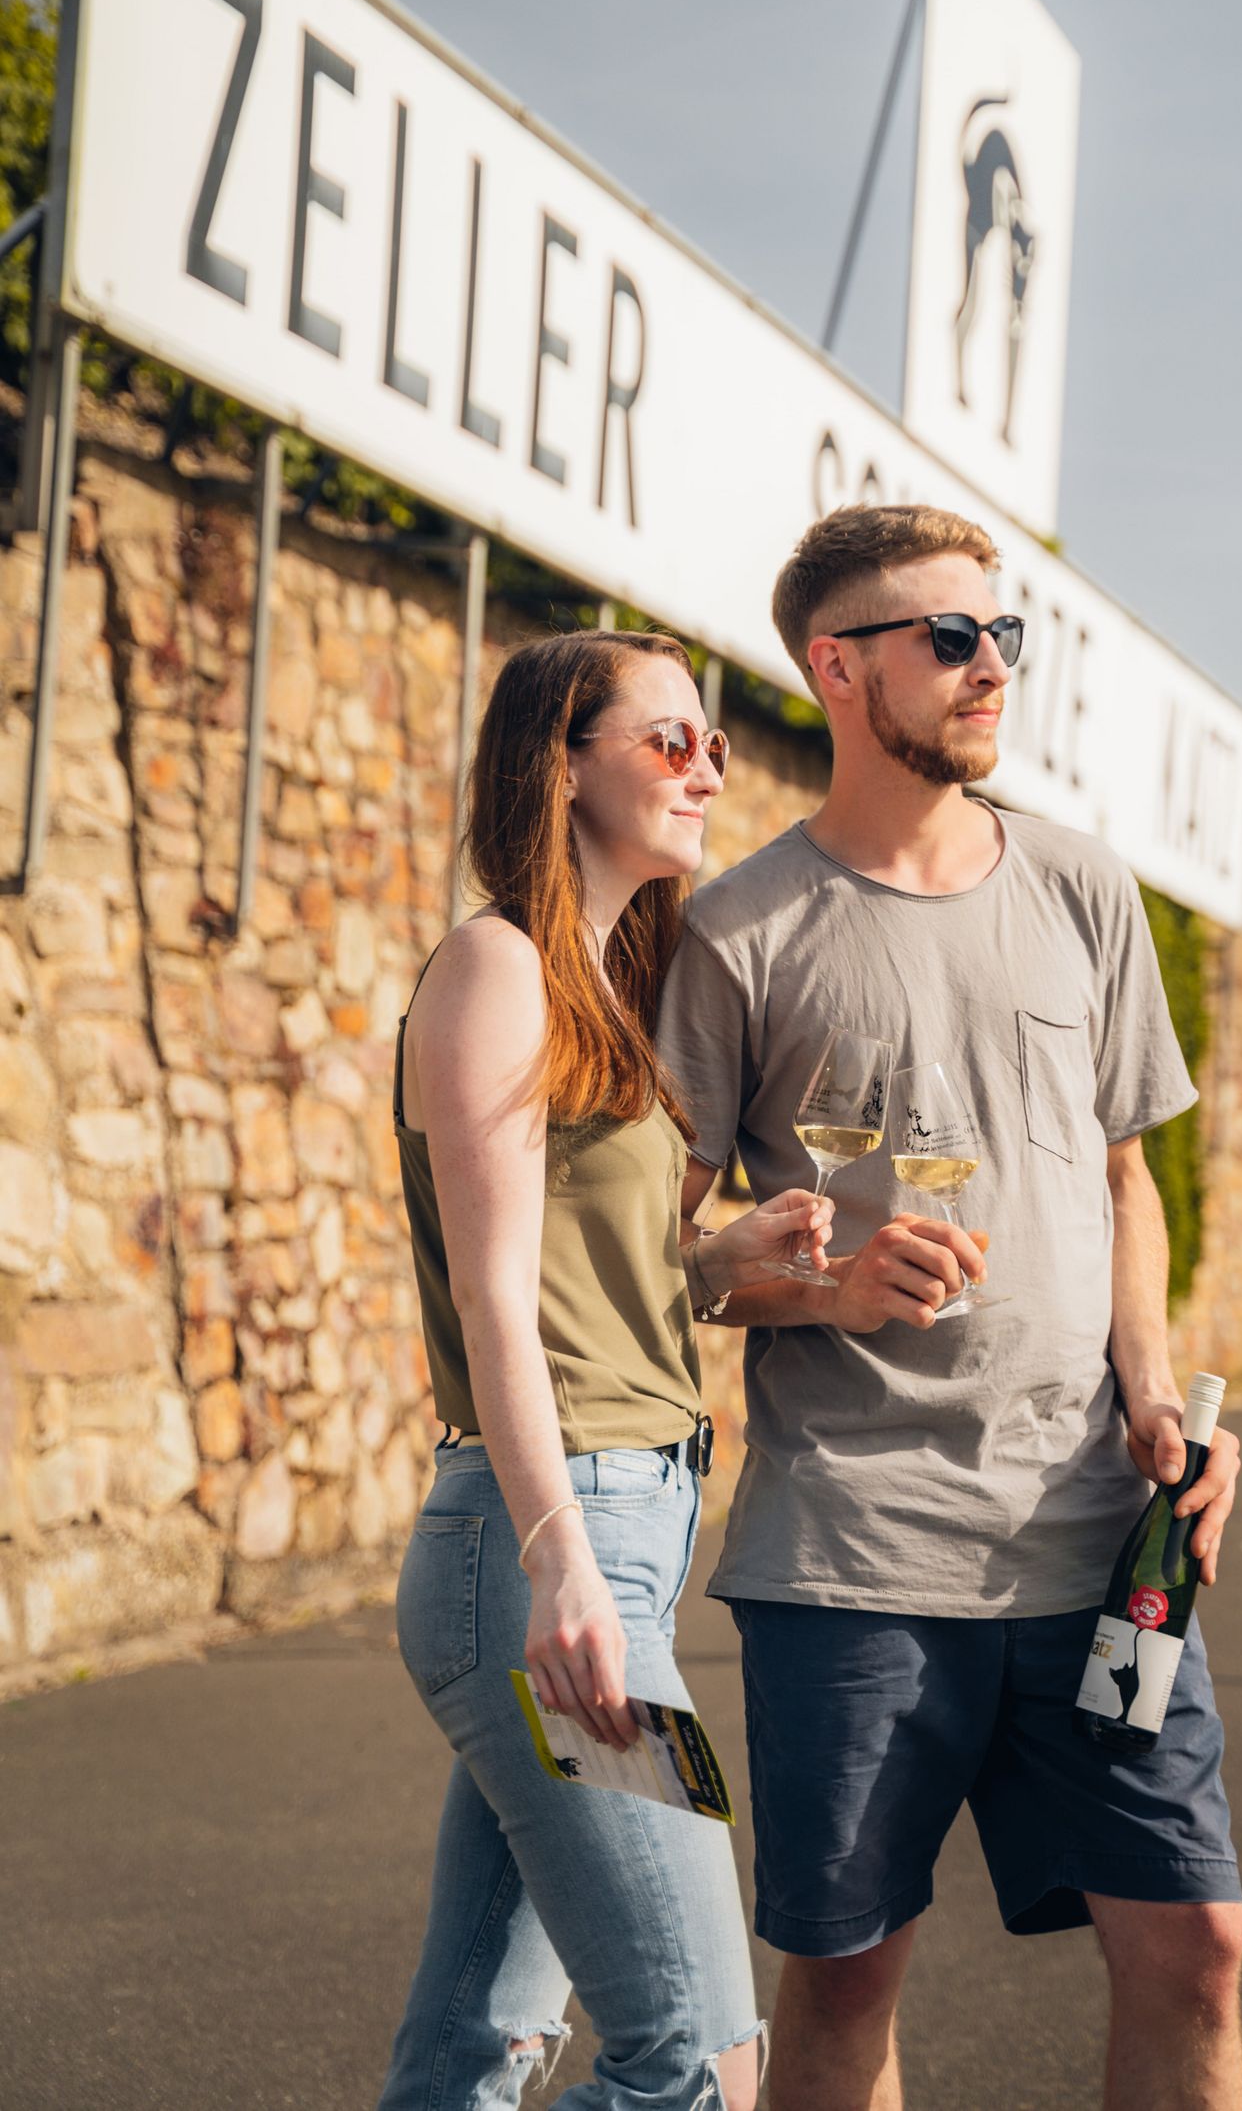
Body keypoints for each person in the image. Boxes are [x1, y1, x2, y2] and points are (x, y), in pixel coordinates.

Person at [656, 505, 1242, 2111]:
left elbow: (1125, 1181)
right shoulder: (738, 931)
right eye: (951, 636)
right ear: (838, 668)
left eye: (1003, 634)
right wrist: (821, 1284)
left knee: (1196, 1943)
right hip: (854, 1556)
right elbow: (667, 1247)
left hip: (1098, 1544)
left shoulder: (1082, 885)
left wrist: (1155, 1390)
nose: (993, 665)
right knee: (846, 1981)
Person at [377, 627, 848, 2111]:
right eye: (669, 739)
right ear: (563, 763)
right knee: (704, 2060)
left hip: (612, 1541)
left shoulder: (591, 985)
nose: (706, 768)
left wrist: (717, 1256)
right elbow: (493, 1299)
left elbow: (578, 1280)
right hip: (551, 1547)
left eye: (715, 743)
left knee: (477, 2045)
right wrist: (561, 1564)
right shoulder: (496, 965)